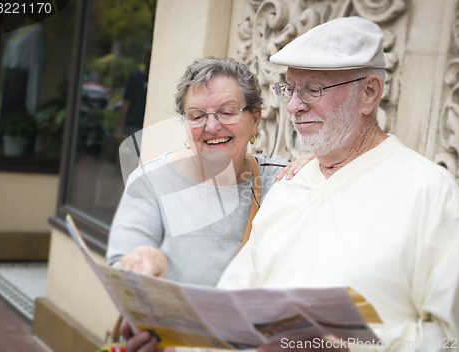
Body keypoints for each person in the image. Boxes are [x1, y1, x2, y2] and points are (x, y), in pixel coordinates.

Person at [217, 16, 459, 351]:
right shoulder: (289, 188)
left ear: (369, 93)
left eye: (313, 89)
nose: (294, 106)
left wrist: (349, 348)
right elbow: (229, 311)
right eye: (289, 88)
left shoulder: (429, 191)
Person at [106, 57, 312, 351]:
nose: (211, 126)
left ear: (255, 119)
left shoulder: (282, 181)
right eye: (196, 115)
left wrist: (320, 168)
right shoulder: (152, 182)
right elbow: (122, 273)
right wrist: (140, 262)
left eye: (227, 112)